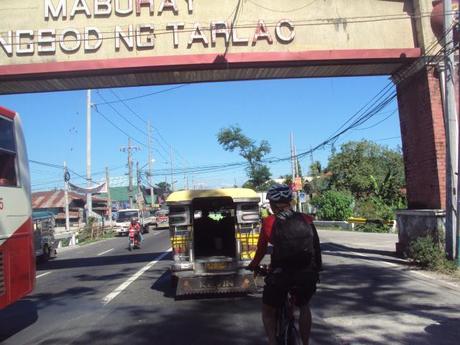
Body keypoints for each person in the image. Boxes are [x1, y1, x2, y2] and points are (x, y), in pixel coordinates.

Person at [248, 184, 322, 345]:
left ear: (273, 205)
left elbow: (261, 252)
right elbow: (316, 246)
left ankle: (273, 342)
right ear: (290, 202)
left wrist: (253, 266)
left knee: (268, 311)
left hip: (281, 275)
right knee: (304, 306)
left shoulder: (268, 222)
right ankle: (305, 343)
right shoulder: (306, 219)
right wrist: (316, 270)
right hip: (306, 273)